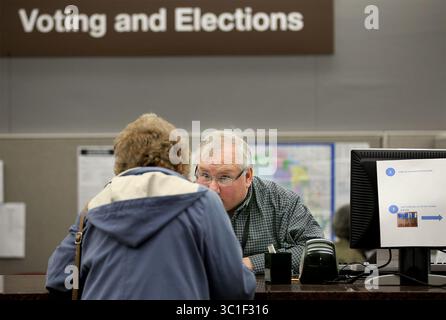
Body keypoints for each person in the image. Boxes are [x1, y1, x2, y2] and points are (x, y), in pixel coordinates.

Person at [46, 114, 256, 300]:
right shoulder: (202, 203)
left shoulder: (92, 209)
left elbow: (58, 279)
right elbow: (236, 289)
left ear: (120, 163)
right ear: (180, 161)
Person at [194, 131, 324, 275]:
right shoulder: (183, 202)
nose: (212, 189)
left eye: (224, 177)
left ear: (248, 176)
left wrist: (249, 264)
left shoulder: (281, 202)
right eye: (205, 175)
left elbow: (316, 250)